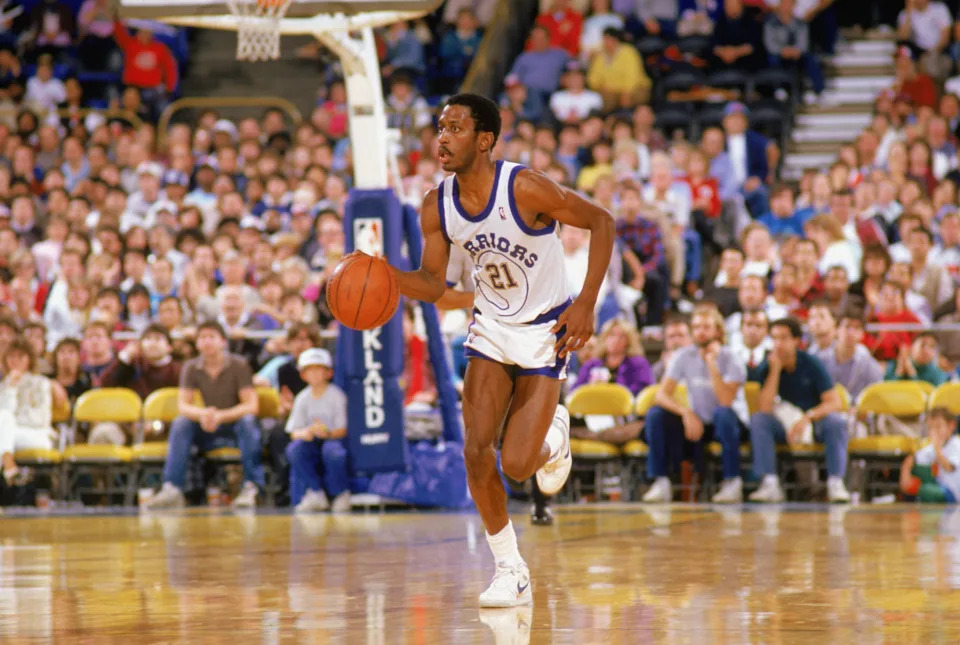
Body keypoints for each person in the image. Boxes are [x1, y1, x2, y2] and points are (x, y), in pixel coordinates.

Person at [371, 93, 614, 607]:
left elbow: (602, 223)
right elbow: (435, 284)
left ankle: (554, 437)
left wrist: (587, 302)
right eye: (440, 127)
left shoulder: (524, 187)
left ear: (484, 140)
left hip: (548, 330)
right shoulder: (436, 205)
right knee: (476, 451)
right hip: (491, 328)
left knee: (519, 465)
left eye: (456, 128)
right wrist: (382, 275)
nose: (442, 137)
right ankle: (510, 569)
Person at [146, 321, 263, 510]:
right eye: (202, 337)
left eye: (211, 337)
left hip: (233, 425)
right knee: (181, 423)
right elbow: (183, 405)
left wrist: (220, 416)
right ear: (197, 343)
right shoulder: (191, 367)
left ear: (223, 341)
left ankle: (252, 486)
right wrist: (204, 414)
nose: (207, 342)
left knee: (248, 422)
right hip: (207, 424)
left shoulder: (239, 365)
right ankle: (172, 487)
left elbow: (251, 405)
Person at [643, 306, 748, 504]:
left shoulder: (731, 358)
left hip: (731, 424)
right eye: (697, 327)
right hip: (699, 424)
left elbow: (725, 400)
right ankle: (661, 481)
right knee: (656, 414)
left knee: (723, 413)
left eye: (706, 327)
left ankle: (732, 481)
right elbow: (661, 395)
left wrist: (711, 364)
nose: (700, 331)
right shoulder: (683, 355)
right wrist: (685, 413)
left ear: (717, 330)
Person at [748, 317, 851, 503]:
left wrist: (807, 418)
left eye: (784, 338)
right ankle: (770, 483)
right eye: (775, 338)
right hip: (783, 422)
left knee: (836, 422)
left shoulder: (812, 364)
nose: (778, 343)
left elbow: (834, 402)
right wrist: (775, 371)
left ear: (796, 341)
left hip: (814, 420)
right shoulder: (767, 366)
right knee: (758, 420)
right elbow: (764, 407)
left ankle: (836, 482)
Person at [284, 348, 350, 514]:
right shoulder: (302, 398)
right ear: (303, 375)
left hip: (332, 440)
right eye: (309, 370)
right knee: (294, 449)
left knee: (333, 452)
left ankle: (340, 493)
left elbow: (342, 429)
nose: (314, 374)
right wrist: (306, 432)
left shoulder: (337, 396)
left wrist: (327, 433)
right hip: (311, 441)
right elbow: (293, 431)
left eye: (318, 369)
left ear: (328, 373)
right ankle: (315, 491)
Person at [0, 337, 56, 485]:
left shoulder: (41, 383)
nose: (15, 360)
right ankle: (9, 467)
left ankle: (8, 464)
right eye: (11, 356)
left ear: (29, 359)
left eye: (20, 356)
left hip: (38, 434)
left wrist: (12, 421)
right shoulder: (3, 386)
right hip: (10, 438)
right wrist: (11, 388)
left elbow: (42, 418)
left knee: (5, 418)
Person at [815, 311, 883, 400]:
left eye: (857, 328)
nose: (851, 332)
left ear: (862, 334)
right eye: (847, 326)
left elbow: (877, 395)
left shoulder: (869, 364)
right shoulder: (820, 360)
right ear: (836, 329)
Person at [900, 407, 960, 503]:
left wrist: (937, 450)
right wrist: (906, 469)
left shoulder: (956, 445)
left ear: (951, 426)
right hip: (937, 485)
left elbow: (949, 467)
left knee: (928, 491)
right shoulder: (930, 448)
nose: (934, 432)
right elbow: (913, 461)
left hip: (953, 493)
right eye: (930, 428)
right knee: (915, 468)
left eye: (938, 426)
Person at [885, 332, 949, 387]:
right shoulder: (894, 365)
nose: (926, 350)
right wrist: (899, 371)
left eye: (932, 346)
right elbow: (886, 392)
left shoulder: (937, 373)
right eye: (922, 345)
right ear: (911, 347)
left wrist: (912, 373)